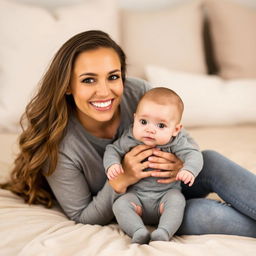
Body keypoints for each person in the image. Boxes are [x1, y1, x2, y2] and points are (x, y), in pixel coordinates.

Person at [1, 30, 256, 240]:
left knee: (209, 159)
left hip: (173, 185)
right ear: (68, 85)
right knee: (201, 214)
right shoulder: (58, 147)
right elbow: (82, 215)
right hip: (140, 205)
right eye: (89, 80)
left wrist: (179, 163)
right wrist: (124, 177)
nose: (104, 92)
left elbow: (181, 136)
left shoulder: (139, 94)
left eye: (113, 77)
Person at [103, 87, 203, 243]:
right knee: (120, 204)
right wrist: (112, 165)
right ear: (134, 119)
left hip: (165, 196)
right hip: (136, 198)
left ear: (176, 129)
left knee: (177, 201)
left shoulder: (176, 142)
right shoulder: (130, 138)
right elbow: (112, 149)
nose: (150, 130)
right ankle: (138, 231)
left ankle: (163, 232)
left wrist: (189, 169)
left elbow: (194, 155)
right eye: (143, 122)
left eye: (161, 126)